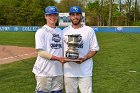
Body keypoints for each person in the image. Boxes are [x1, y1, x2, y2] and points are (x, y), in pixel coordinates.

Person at [63, 6, 99, 93]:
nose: (75, 17)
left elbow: (94, 49)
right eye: (73, 15)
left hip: (85, 71)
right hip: (69, 71)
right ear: (69, 17)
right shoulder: (64, 31)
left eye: (78, 14)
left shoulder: (89, 30)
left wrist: (84, 58)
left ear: (81, 16)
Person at [32, 6, 65, 93]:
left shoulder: (60, 32)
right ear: (45, 16)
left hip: (58, 71)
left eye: (54, 15)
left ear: (57, 16)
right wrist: (58, 58)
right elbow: (41, 52)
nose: (52, 17)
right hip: (43, 71)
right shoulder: (41, 31)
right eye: (50, 15)